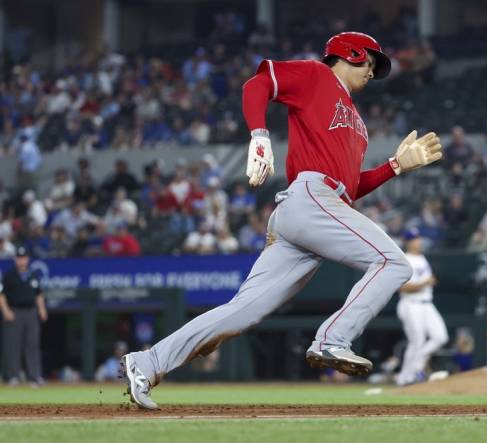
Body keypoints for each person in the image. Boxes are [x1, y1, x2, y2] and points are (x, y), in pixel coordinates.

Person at [121, 32, 443, 409]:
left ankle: (147, 362)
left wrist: (394, 167)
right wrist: (259, 134)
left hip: (319, 209)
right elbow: (258, 84)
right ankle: (332, 340)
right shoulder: (315, 75)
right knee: (393, 262)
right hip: (310, 198)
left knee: (243, 311)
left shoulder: (357, 121)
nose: (372, 72)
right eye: (370, 62)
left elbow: (351, 188)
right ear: (351, 54)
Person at [395, 228, 448, 386]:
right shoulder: (405, 259)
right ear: (407, 242)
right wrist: (426, 282)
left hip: (427, 303)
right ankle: (405, 378)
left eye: (418, 238)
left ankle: (416, 368)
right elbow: (402, 287)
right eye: (414, 239)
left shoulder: (422, 258)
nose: (418, 241)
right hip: (411, 304)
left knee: (440, 337)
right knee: (416, 341)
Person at [0, 247, 47, 386]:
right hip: (14, 311)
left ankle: (34, 376)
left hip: (31, 312)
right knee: (12, 345)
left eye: (24, 257)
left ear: (28, 259)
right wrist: (5, 310)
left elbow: (39, 294)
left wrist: (42, 309)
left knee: (32, 344)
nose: (22, 260)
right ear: (15, 259)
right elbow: (1, 295)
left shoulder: (33, 275)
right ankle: (13, 376)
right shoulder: (9, 275)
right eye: (19, 258)